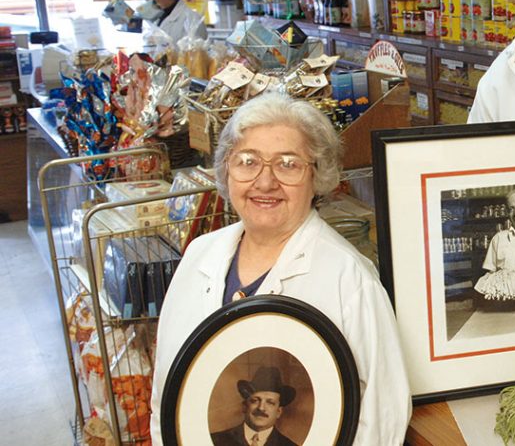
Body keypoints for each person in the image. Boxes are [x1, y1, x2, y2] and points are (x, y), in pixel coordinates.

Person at [150, 92, 411, 445]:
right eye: (247, 161)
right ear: (227, 170)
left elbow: (384, 416)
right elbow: (166, 389)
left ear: (317, 175)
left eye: (288, 164)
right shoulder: (200, 254)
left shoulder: (350, 279)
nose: (265, 182)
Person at [210, 366, 299, 446]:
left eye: (270, 403)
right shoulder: (216, 441)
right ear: (244, 406)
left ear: (278, 412)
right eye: (255, 401)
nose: (261, 408)